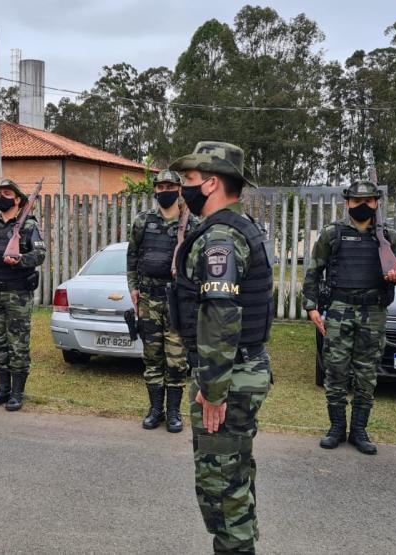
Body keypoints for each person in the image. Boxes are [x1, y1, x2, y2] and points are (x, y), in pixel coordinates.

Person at [170, 142, 274, 554]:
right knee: (233, 479)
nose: (183, 189)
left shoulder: (221, 237)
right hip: (237, 371)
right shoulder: (233, 228)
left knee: (221, 490)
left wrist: (213, 391)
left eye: (189, 181)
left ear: (212, 183)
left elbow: (220, 315)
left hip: (227, 378)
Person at [302, 180, 396, 455]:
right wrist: (311, 307)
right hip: (339, 310)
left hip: (373, 312)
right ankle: (336, 428)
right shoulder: (332, 234)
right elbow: (314, 272)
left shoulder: (390, 236)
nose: (363, 206)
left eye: (369, 201)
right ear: (347, 202)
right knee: (335, 370)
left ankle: (359, 430)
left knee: (366, 373)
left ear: (376, 203)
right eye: (357, 201)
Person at [127, 169, 196, 432]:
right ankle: (155, 410)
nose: (164, 191)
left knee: (177, 360)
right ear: (154, 190)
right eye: (160, 187)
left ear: (179, 190)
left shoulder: (191, 224)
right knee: (152, 358)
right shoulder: (143, 221)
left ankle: (174, 413)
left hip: (177, 302)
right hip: (148, 299)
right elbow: (132, 257)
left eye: (170, 187)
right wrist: (133, 288)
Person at [0, 179, 46, 412]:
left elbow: (40, 255)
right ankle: (1, 389)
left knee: (18, 344)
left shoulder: (29, 226)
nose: (2, 197)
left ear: (17, 200)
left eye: (7, 193)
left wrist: (19, 260)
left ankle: (17, 393)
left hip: (18, 294)